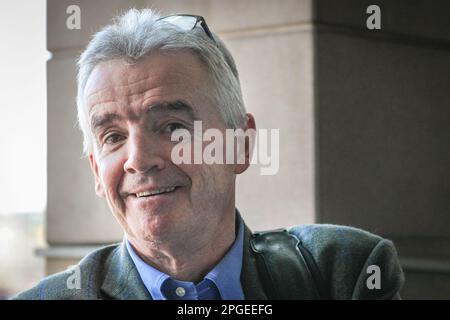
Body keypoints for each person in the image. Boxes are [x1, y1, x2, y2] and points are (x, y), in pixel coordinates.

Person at [13, 9, 404, 300]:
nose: (139, 159)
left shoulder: (342, 273)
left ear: (241, 144)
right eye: (113, 136)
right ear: (98, 171)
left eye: (172, 127)